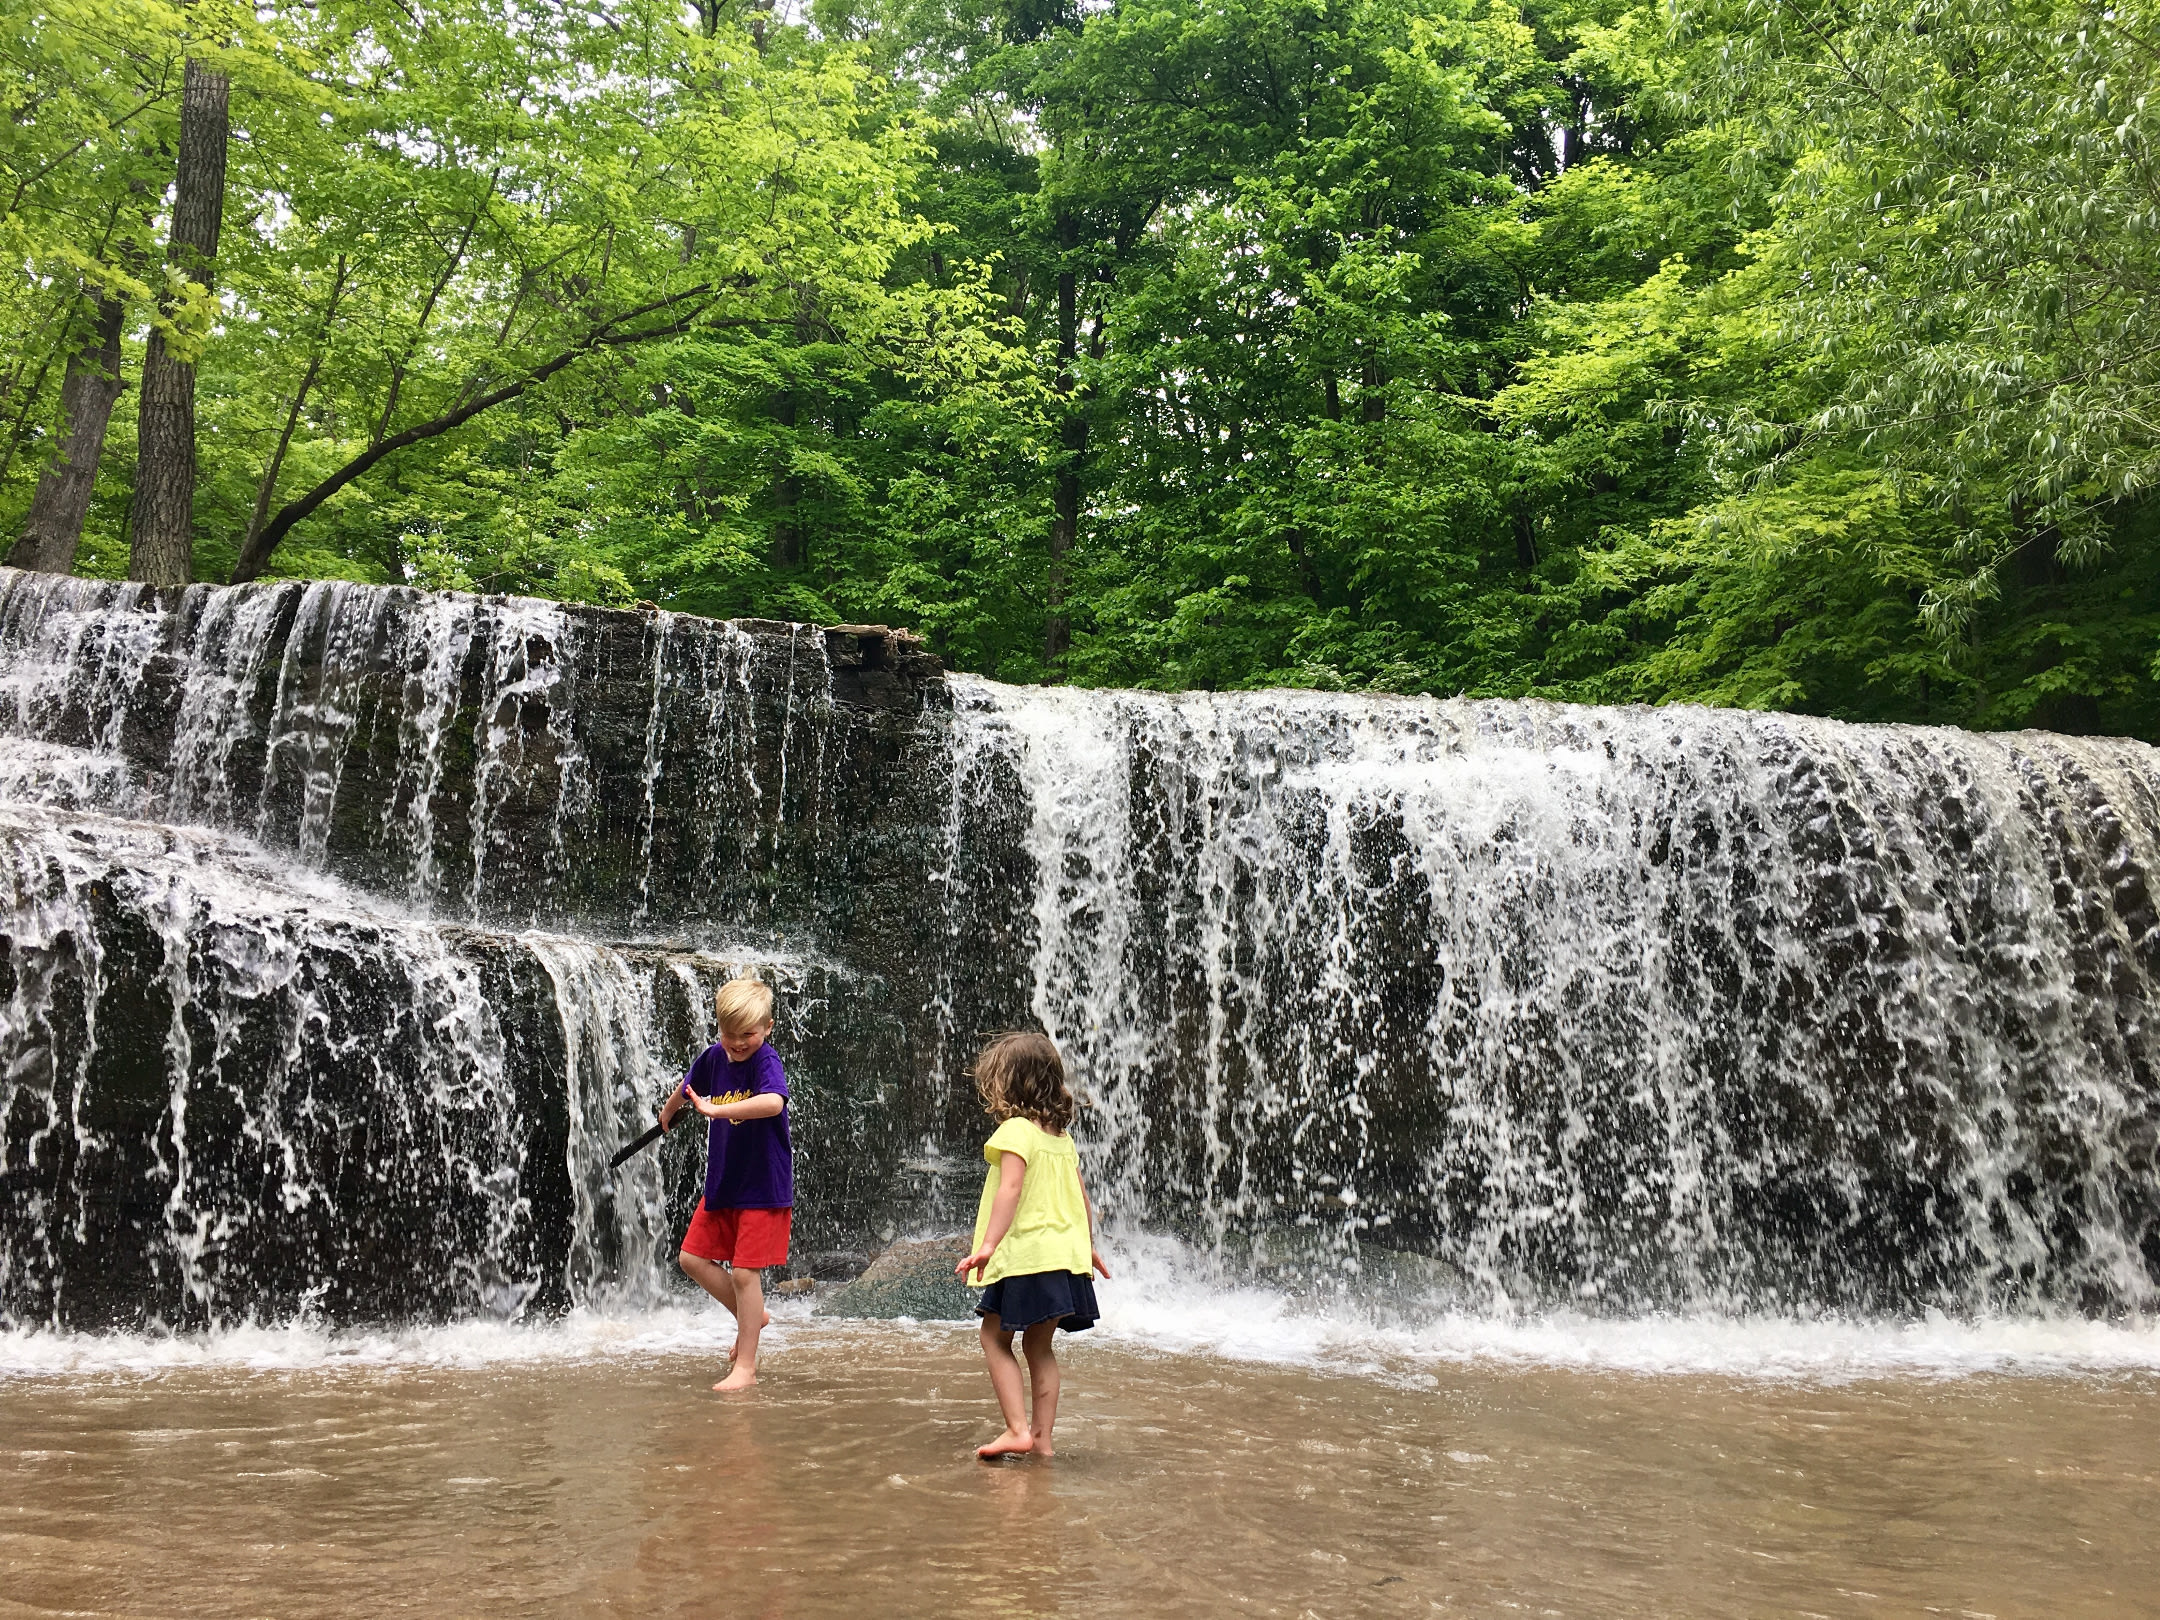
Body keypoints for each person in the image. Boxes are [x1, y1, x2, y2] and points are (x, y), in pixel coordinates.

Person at [954, 1031, 1111, 1459]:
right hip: (1063, 1259)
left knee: (993, 1337)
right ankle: (1043, 1440)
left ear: (1010, 1084)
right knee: (1039, 1347)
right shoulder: (1061, 1138)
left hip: (1028, 1257)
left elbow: (1010, 1189)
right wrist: (1086, 1247)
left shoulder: (1015, 1131)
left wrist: (988, 1245)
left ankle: (1016, 1429)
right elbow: (1082, 1198)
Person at [659, 976, 792, 1391]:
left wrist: (718, 1111)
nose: (737, 1043)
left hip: (761, 1185)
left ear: (767, 1027)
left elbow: (774, 1102)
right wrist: (669, 1111)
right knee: (691, 1259)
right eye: (728, 1033)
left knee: (744, 1274)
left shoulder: (766, 1060)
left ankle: (746, 1368)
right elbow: (689, 1086)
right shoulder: (715, 1057)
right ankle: (752, 1315)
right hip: (723, 1182)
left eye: (747, 1034)